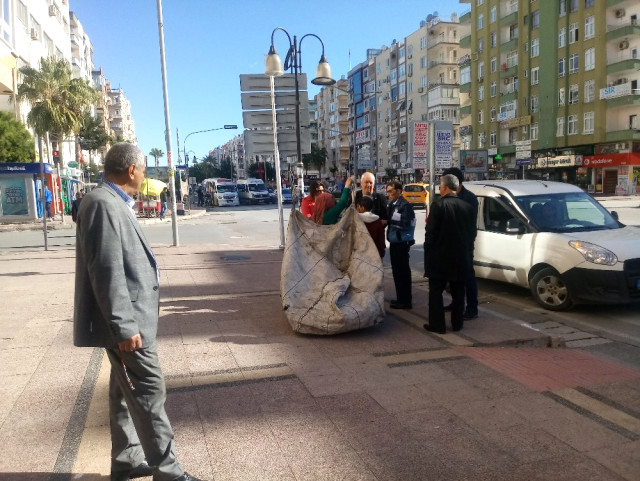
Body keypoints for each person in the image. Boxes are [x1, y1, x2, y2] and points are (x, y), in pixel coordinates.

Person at [73, 143, 205, 481]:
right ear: (131, 169)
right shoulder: (103, 203)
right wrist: (123, 325)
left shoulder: (113, 201)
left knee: (122, 391)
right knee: (149, 390)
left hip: (131, 318)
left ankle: (127, 460)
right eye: (144, 169)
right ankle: (169, 471)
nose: (145, 175)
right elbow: (106, 269)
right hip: (127, 323)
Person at [423, 174, 477, 334]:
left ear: (445, 187)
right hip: (461, 257)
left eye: (440, 186)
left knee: (435, 292)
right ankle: (457, 323)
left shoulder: (438, 206)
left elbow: (430, 233)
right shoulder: (467, 207)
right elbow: (472, 233)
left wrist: (429, 252)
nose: (439, 189)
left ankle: (437, 325)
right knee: (459, 292)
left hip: (440, 257)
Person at [442, 167, 479, 320]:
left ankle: (472, 308)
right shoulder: (448, 195)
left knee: (468, 277)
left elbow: (466, 224)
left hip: (464, 244)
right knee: (453, 278)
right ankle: (457, 304)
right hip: (451, 244)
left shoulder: (468, 198)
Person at [385, 181, 416, 309]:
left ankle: (405, 301)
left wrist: (390, 220)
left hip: (402, 243)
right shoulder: (392, 204)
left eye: (391, 191)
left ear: (399, 191)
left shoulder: (405, 205)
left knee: (403, 272)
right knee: (397, 272)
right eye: (387, 192)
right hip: (394, 242)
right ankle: (400, 298)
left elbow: (406, 223)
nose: (388, 194)